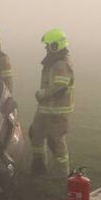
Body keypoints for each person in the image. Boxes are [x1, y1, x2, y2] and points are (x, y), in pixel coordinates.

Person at [29, 28, 75, 177]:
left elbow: (60, 86)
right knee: (35, 134)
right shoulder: (53, 62)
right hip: (45, 109)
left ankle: (61, 173)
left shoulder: (61, 64)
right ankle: (39, 165)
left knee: (56, 142)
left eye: (49, 45)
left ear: (56, 46)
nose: (46, 48)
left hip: (57, 111)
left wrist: (42, 94)